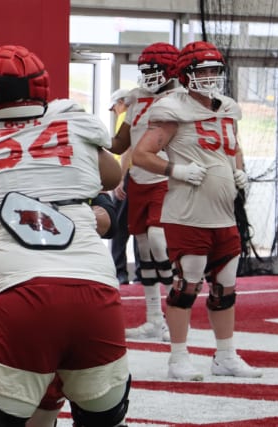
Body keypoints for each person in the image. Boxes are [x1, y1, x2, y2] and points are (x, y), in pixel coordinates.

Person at [0, 45, 130, 426]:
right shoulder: (72, 124)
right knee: (104, 418)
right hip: (96, 294)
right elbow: (113, 177)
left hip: (18, 294)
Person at [132, 40, 262, 381]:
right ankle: (178, 357)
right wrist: (174, 171)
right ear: (185, 75)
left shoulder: (228, 108)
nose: (209, 77)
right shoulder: (172, 108)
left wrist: (239, 169)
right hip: (187, 214)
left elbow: (233, 147)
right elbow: (142, 154)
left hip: (222, 213)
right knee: (186, 285)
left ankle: (226, 356)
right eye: (202, 71)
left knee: (226, 286)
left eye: (214, 70)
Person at [110, 42, 183, 341]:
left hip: (164, 178)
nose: (149, 76)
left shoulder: (181, 99)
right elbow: (120, 143)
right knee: (141, 247)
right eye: (146, 70)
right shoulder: (136, 98)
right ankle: (154, 318)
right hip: (137, 180)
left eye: (155, 70)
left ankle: (176, 303)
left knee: (157, 238)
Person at [107, 89, 136, 285]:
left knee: (118, 227)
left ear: (121, 103)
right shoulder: (140, 118)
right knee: (141, 228)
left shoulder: (125, 118)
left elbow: (126, 149)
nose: (114, 112)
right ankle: (143, 272)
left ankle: (120, 272)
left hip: (127, 176)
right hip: (140, 176)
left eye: (114, 108)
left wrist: (119, 179)